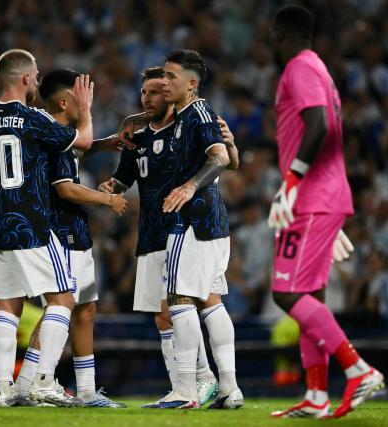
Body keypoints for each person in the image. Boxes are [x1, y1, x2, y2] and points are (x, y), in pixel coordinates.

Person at [266, 5, 384, 419]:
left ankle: (358, 368)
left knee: (287, 292)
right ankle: (317, 395)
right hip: (323, 198)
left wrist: (294, 184)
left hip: (311, 199)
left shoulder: (298, 68)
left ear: (279, 35)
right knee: (310, 295)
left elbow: (318, 125)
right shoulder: (319, 68)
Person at [99, 66, 236, 408]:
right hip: (153, 231)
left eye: (157, 91)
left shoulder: (190, 123)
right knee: (172, 312)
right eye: (144, 92)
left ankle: (192, 386)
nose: (148, 98)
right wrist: (109, 190)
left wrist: (229, 147)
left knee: (187, 303)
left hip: (183, 226)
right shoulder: (137, 138)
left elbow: (225, 158)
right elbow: (123, 180)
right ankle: (207, 384)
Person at [0, 49, 93, 407]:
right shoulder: (31, 118)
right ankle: (43, 381)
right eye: (36, 76)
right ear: (26, 79)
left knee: (7, 307)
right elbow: (83, 140)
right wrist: (85, 110)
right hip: (30, 223)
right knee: (63, 298)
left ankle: (7, 389)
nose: (38, 82)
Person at [14, 68, 128, 408]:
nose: (88, 102)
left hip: (73, 231)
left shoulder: (54, 134)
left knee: (84, 310)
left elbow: (70, 156)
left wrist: (103, 143)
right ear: (65, 102)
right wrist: (108, 199)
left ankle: (84, 391)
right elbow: (64, 187)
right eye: (83, 96)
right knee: (60, 307)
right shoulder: (57, 132)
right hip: (59, 231)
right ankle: (35, 383)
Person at [157, 49, 243, 409]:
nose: (164, 81)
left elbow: (220, 158)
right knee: (210, 301)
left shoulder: (196, 113)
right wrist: (232, 144)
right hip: (213, 222)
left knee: (178, 298)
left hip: (192, 220)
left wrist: (190, 185)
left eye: (171, 76)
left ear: (191, 84)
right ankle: (229, 388)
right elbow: (231, 157)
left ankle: (187, 391)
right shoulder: (188, 116)